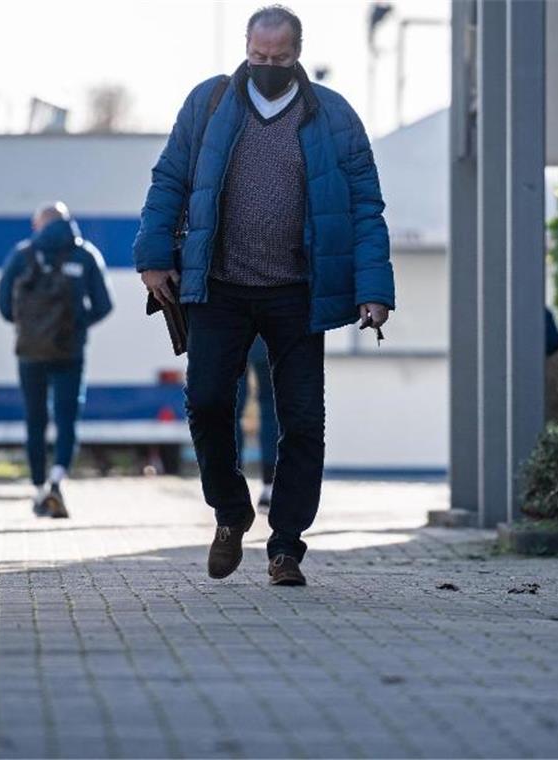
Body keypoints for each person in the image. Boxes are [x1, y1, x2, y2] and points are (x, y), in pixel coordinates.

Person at [133, 5, 395, 586]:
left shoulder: (332, 115)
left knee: (302, 421)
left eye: (279, 58)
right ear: (246, 48)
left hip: (298, 292)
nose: (268, 66)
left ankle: (286, 548)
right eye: (259, 56)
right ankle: (230, 512)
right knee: (205, 402)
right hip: (218, 287)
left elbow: (364, 206)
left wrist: (373, 289)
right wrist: (153, 257)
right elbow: (169, 179)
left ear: (298, 53)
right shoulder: (210, 103)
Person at [0, 202, 113, 518]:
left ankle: (37, 489)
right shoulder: (85, 254)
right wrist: (76, 325)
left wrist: (29, 326)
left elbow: (3, 303)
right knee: (66, 418)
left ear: (40, 225)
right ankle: (57, 480)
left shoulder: (22, 255)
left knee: (35, 419)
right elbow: (104, 305)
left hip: (30, 351)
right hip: (69, 351)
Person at [235, 337, 278, 513]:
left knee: (233, 406)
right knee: (270, 406)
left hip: (233, 327)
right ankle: (270, 485)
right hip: (267, 331)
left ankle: (233, 484)